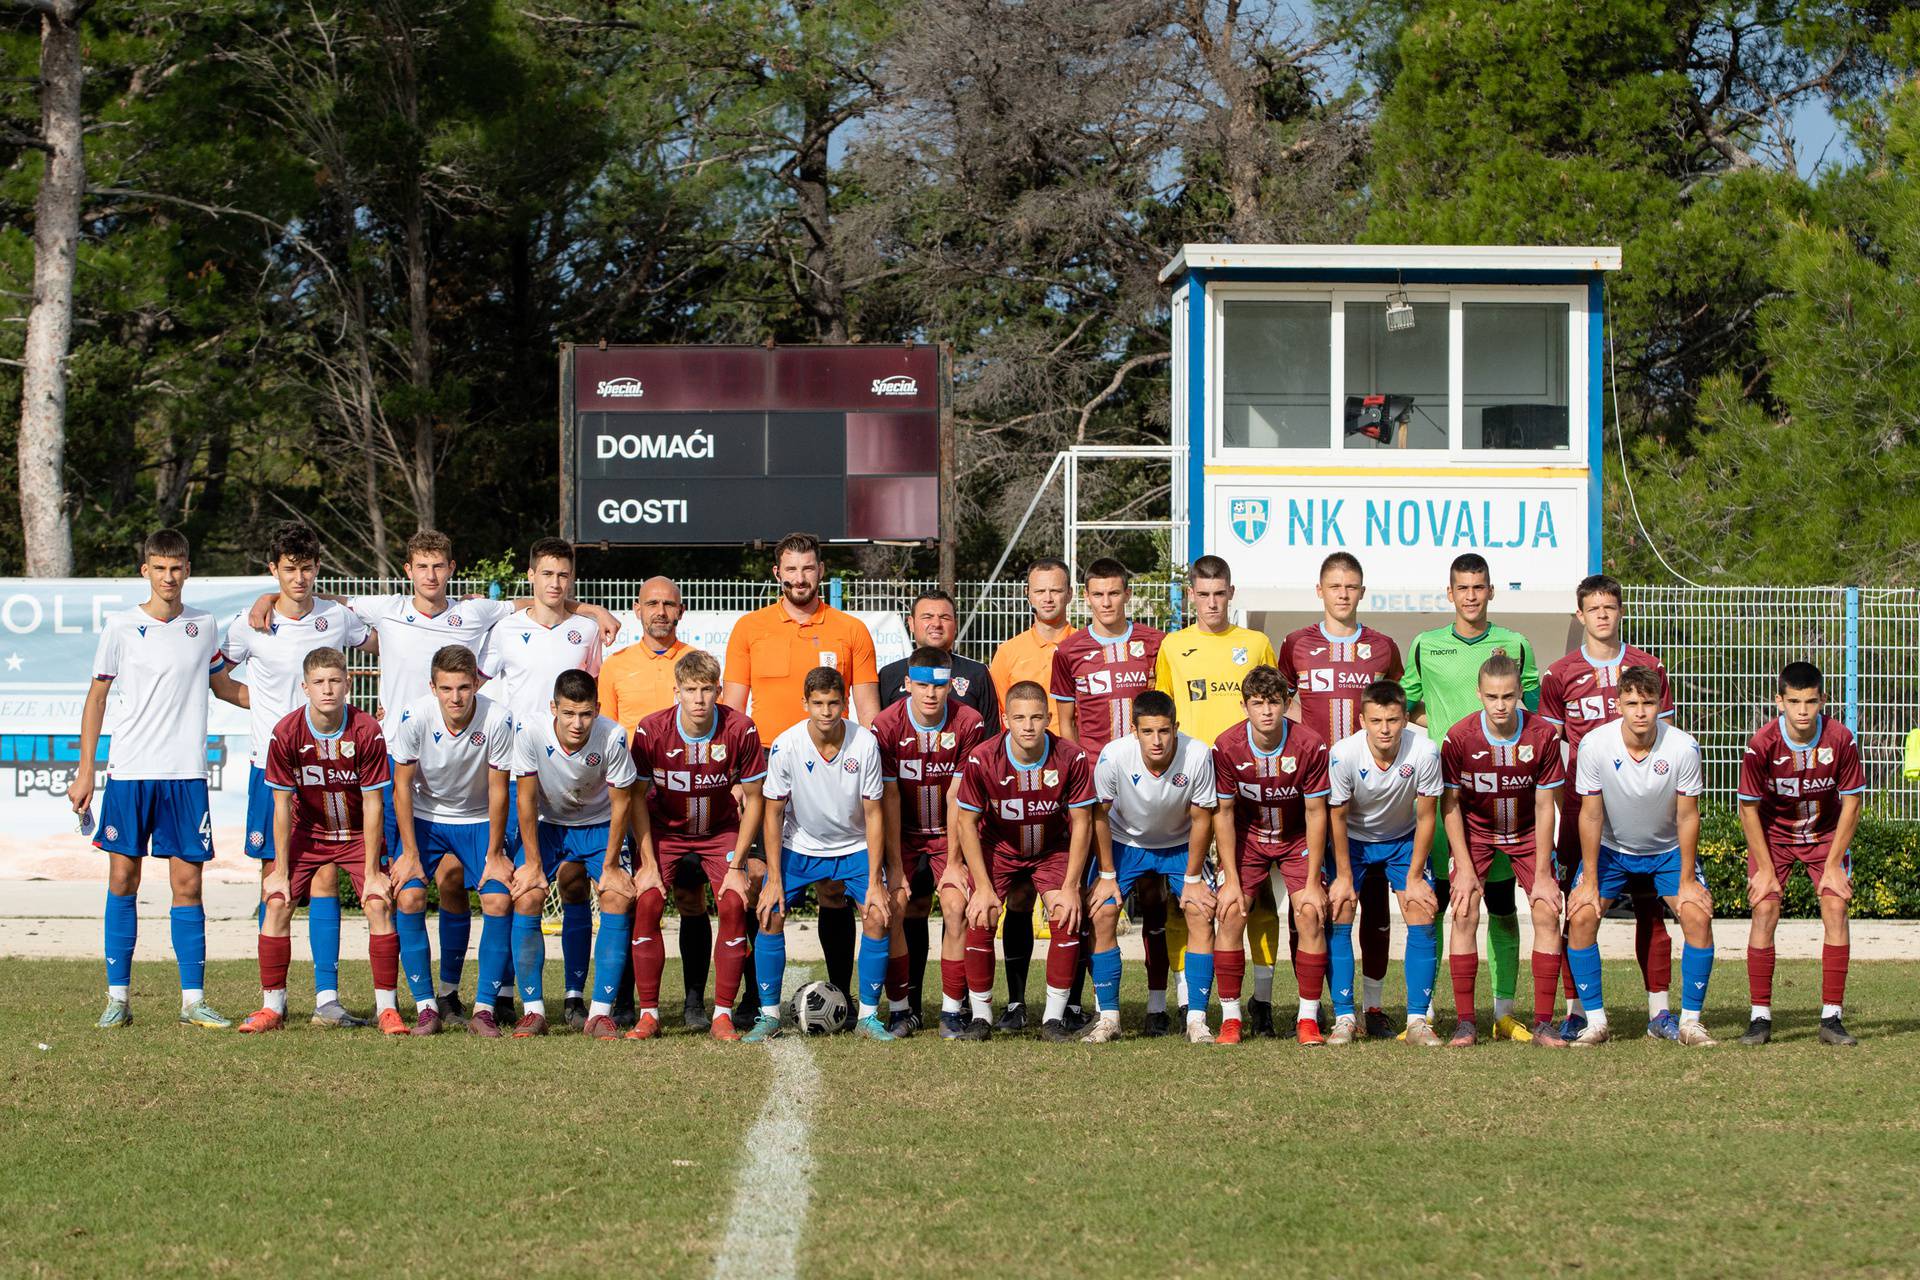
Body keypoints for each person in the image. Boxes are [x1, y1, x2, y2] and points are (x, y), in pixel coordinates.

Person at [246, 528, 616, 1022]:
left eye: (439, 566)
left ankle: (498, 996)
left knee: (495, 884)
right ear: (408, 571)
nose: (431, 576)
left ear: (452, 569)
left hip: (494, 774)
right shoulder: (386, 610)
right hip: (403, 772)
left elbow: (541, 601)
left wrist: (591, 609)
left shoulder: (479, 613)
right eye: (422, 566)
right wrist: (271, 594)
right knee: (410, 885)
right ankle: (418, 999)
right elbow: (321, 598)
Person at [69, 528, 249, 1030]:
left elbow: (223, 686)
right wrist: (87, 771)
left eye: (177, 567)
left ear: (188, 570)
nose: (169, 577)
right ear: (144, 571)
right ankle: (118, 999)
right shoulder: (121, 627)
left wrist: (278, 704)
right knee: (122, 879)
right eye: (160, 568)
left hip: (185, 775)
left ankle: (193, 1001)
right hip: (129, 773)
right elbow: (97, 698)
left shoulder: (204, 625)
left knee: (188, 884)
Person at [222, 521, 375, 1029]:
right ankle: (274, 1001)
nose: (300, 578)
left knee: (328, 877)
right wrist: (256, 704)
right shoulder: (249, 625)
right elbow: (215, 674)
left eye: (308, 568)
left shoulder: (335, 617)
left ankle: (327, 999)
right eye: (289, 569)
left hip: (328, 771)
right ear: (274, 569)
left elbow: (382, 638)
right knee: (275, 881)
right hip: (270, 770)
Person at [722, 531, 879, 1011]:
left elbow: (869, 713)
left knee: (836, 888)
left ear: (821, 571)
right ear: (777, 574)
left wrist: (865, 770)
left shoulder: (851, 630)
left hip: (834, 765)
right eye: (790, 569)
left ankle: (840, 994)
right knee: (761, 880)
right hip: (766, 762)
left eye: (807, 568)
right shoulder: (750, 628)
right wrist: (734, 774)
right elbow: (733, 709)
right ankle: (755, 997)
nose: (799, 578)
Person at [1402, 552, 1539, 1042]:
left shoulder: (1515, 644)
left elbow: (1535, 716)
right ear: (1450, 593)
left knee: (1502, 905)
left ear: (1491, 590)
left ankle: (1503, 1012)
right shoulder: (1426, 645)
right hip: (1449, 798)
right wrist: (1443, 734)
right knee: (1445, 904)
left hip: (1506, 798)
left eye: (1479, 586)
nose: (1471, 595)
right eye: (1463, 587)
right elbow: (1405, 707)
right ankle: (1430, 1010)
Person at [1539, 574, 1678, 1040]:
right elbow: (1550, 748)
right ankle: (1577, 1009)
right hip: (1584, 812)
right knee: (1577, 908)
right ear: (1580, 616)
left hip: (1643, 811)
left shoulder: (1648, 667)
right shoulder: (1559, 675)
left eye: (1610, 607)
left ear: (1620, 612)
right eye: (1593, 608)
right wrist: (1563, 806)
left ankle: (1659, 1011)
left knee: (1650, 908)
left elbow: (1668, 742)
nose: (1602, 615)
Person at [480, 538, 606, 1030]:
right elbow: (483, 687)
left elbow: (589, 699)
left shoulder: (587, 630)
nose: (555, 584)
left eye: (564, 575)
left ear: (572, 579)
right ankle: (508, 991)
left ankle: (574, 994)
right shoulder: (505, 630)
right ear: (531, 575)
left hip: (572, 777)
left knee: (574, 884)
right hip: (519, 775)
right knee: (520, 882)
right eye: (547, 574)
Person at [237, 648, 398, 1034]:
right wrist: (279, 869)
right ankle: (272, 1007)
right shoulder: (286, 732)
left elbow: (375, 804)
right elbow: (280, 805)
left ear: (349, 684)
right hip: (308, 832)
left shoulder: (367, 731)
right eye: (319, 682)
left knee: (378, 903)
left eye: (335, 681)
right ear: (305, 687)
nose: (328, 690)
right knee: (276, 902)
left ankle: (387, 1010)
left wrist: (374, 870)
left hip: (357, 833)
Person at [1278, 551, 1404, 1039]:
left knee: (1369, 901)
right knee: (1308, 900)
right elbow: (1282, 703)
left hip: (1366, 796)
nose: (1344, 594)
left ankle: (1369, 1008)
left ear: (1362, 591)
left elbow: (1395, 710)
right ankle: (1310, 1003)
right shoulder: (1295, 644)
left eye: (1352, 586)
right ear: (1320, 591)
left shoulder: (1382, 648)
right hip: (1309, 793)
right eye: (1335, 586)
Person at [1152, 554, 1275, 1030]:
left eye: (1219, 593)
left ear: (1231, 593)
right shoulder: (1173, 646)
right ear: (1190, 597)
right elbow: (1166, 710)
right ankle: (1191, 999)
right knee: (1188, 896)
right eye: (1202, 595)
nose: (1211, 603)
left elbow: (1275, 705)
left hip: (1251, 786)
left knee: (1256, 897)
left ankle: (1262, 1000)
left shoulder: (1256, 643)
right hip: (1194, 788)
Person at [1565, 666, 1717, 1048]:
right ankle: (1596, 1022)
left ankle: (1691, 1023)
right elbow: (1591, 813)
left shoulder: (1683, 747)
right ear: (1618, 704)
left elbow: (1687, 815)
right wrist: (1591, 882)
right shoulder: (1595, 745)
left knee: (1696, 915)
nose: (1640, 712)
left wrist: (1686, 881)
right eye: (1631, 703)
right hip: (1612, 851)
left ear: (1660, 705)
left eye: (1648, 703)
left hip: (1666, 852)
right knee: (1582, 915)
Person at [1050, 557, 1165, 1031]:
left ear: (1127, 595)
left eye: (1114, 593)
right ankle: (1088, 1006)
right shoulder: (1070, 650)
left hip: (1150, 787)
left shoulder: (1156, 645)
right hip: (1096, 787)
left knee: (1158, 897)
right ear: (1085, 597)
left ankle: (1160, 1006)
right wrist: (1079, 777)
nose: (1106, 602)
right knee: (1089, 896)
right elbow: (1066, 722)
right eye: (1097, 594)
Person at [747, 667, 891, 1043]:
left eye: (833, 703)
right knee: (769, 911)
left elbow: (874, 812)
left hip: (854, 845)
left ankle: (870, 1017)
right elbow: (773, 811)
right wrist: (774, 878)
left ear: (845, 703)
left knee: (877, 914)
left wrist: (876, 880)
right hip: (801, 846)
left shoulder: (865, 743)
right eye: (818, 703)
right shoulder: (785, 745)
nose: (826, 711)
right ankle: (768, 1014)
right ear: (805, 704)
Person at [629, 650, 767, 1041]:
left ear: (719, 690)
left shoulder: (741, 728)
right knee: (649, 901)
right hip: (666, 833)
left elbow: (756, 799)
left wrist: (739, 865)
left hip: (720, 831)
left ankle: (722, 1014)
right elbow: (636, 796)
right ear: (677, 691)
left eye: (707, 689)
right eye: (691, 690)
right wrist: (648, 862)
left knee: (733, 903)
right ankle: (649, 1014)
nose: (700, 699)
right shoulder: (650, 730)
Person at [875, 595, 999, 1027]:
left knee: (953, 904)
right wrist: (895, 865)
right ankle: (899, 1010)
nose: (931, 694)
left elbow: (959, 797)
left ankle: (951, 1012)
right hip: (904, 832)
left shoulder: (967, 722)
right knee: (895, 904)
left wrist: (953, 862)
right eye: (922, 685)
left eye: (939, 685)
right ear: (907, 683)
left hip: (950, 833)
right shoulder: (887, 724)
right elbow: (887, 798)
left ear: (951, 684)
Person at [598, 576, 714, 1032]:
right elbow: (605, 736)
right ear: (637, 609)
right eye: (652, 604)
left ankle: (693, 1003)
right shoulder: (615, 665)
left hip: (689, 802)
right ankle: (625, 1001)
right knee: (630, 898)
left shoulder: (696, 665)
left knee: (691, 898)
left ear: (682, 611)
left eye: (669, 604)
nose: (661, 611)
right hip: (632, 803)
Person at [952, 682, 1097, 1042]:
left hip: (1051, 848)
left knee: (1065, 913)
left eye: (1036, 717)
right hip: (999, 847)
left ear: (1049, 718)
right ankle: (982, 1018)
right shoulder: (983, 758)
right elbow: (966, 822)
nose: (1028, 726)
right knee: (981, 914)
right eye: (1019, 718)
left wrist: (1071, 886)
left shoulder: (1071, 757)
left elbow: (1082, 822)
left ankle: (1052, 1019)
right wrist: (982, 887)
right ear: (1005, 719)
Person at [509, 669, 649, 1039]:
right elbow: (524, 798)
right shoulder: (530, 731)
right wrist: (534, 864)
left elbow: (622, 805)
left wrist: (610, 866)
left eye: (586, 713)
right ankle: (533, 1011)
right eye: (568, 713)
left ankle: (599, 1014)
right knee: (526, 896)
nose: (577, 722)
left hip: (600, 825)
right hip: (550, 823)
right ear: (553, 707)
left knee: (617, 897)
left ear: (597, 709)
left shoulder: (613, 736)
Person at [1436, 654, 1566, 1048]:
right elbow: (1451, 804)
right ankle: (1465, 1023)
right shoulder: (1459, 738)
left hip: (1526, 831)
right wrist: (1462, 866)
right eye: (1492, 696)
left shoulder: (1542, 735)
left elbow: (1546, 804)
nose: (1500, 705)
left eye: (1508, 696)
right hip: (1477, 832)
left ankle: (1543, 1022)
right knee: (1463, 910)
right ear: (1479, 694)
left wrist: (1543, 871)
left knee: (1546, 909)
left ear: (1519, 694)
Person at [386, 645, 515, 1035]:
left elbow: (499, 789)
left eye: (463, 687)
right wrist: (409, 853)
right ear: (433, 687)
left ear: (477, 683)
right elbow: (402, 787)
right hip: (426, 818)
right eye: (446, 688)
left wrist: (494, 853)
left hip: (477, 818)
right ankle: (427, 1007)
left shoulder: (499, 718)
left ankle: (484, 1009)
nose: (455, 697)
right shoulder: (414, 717)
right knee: (408, 896)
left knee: (497, 897)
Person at [1736, 661, 1866, 1046]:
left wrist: (1832, 866)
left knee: (1836, 905)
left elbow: (1853, 803)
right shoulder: (1761, 745)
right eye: (1794, 701)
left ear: (1822, 700)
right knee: (1764, 907)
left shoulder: (1841, 740)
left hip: (1825, 835)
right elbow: (1748, 808)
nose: (1803, 710)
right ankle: (1760, 1016)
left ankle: (1832, 1017)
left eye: (1811, 701)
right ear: (1780, 701)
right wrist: (1764, 871)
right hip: (1773, 837)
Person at [1207, 666, 1334, 1045]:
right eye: (1258, 703)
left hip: (1296, 838)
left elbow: (1316, 812)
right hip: (1249, 837)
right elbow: (1224, 813)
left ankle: (1307, 1018)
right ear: (1244, 705)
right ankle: (1231, 1018)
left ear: (1287, 704)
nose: (1266, 711)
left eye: (1274, 702)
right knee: (1229, 912)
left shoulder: (1310, 745)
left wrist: (1312, 883)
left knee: (1309, 913)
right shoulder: (1226, 745)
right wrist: (1229, 879)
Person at [1084, 690, 1216, 1043]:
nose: (1156, 741)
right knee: (1102, 911)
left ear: (1176, 727)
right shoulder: (1114, 756)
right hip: (1126, 843)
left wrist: (1192, 878)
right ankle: (1108, 1018)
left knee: (1200, 911)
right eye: (1147, 732)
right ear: (1133, 730)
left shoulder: (1198, 754)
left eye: (1163, 731)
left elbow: (1204, 818)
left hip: (1179, 843)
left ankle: (1197, 1020)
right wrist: (1107, 876)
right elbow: (1100, 815)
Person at [985, 556, 1077, 1031]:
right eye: (1039, 590)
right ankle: (1018, 1001)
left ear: (1069, 595)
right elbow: (995, 720)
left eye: (1056, 590)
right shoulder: (1008, 652)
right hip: (1018, 783)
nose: (1047, 598)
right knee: (1019, 897)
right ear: (1028, 595)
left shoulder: (1082, 646)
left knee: (1068, 893)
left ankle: (1072, 1002)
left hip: (1069, 778)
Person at [1326, 681, 1443, 1045]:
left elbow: (1426, 818)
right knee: (1340, 907)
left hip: (1402, 839)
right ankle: (1344, 1018)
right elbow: (1338, 818)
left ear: (1406, 718)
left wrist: (1414, 877)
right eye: (1376, 720)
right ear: (1362, 720)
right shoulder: (1343, 753)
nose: (1385, 729)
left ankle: (1418, 1022)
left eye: (1393, 719)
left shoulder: (1425, 751)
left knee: (1421, 909)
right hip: (1354, 842)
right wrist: (1343, 876)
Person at [878, 590, 1001, 732]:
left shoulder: (977, 673)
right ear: (911, 623)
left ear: (955, 624)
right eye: (927, 617)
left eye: (944, 617)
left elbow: (990, 740)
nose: (936, 623)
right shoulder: (889, 674)